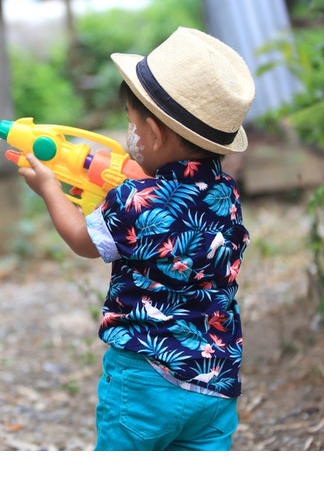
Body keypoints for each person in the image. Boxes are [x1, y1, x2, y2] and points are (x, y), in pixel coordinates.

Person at [15, 26, 256, 451]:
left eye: (132, 126)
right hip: (216, 382)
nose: (129, 137)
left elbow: (80, 238)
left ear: (156, 135)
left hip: (145, 378)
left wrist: (50, 190)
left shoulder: (134, 199)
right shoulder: (228, 196)